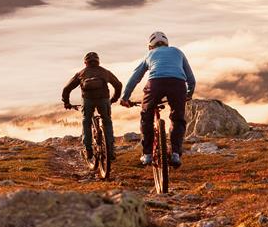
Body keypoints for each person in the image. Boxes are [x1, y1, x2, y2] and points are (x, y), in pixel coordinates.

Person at [119, 31, 195, 168]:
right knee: (178, 118)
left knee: (146, 116)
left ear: (150, 46)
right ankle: (176, 154)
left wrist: (125, 97)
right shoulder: (178, 52)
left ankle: (147, 154)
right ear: (167, 44)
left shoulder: (149, 55)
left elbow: (135, 78)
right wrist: (188, 93)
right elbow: (191, 79)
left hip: (155, 84)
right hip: (178, 84)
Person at [62, 51, 123, 164]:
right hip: (103, 99)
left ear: (85, 63)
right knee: (107, 121)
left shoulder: (81, 73)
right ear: (98, 61)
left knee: (86, 121)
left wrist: (66, 102)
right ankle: (110, 151)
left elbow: (66, 89)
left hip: (88, 100)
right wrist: (114, 98)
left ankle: (88, 149)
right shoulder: (105, 72)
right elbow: (118, 84)